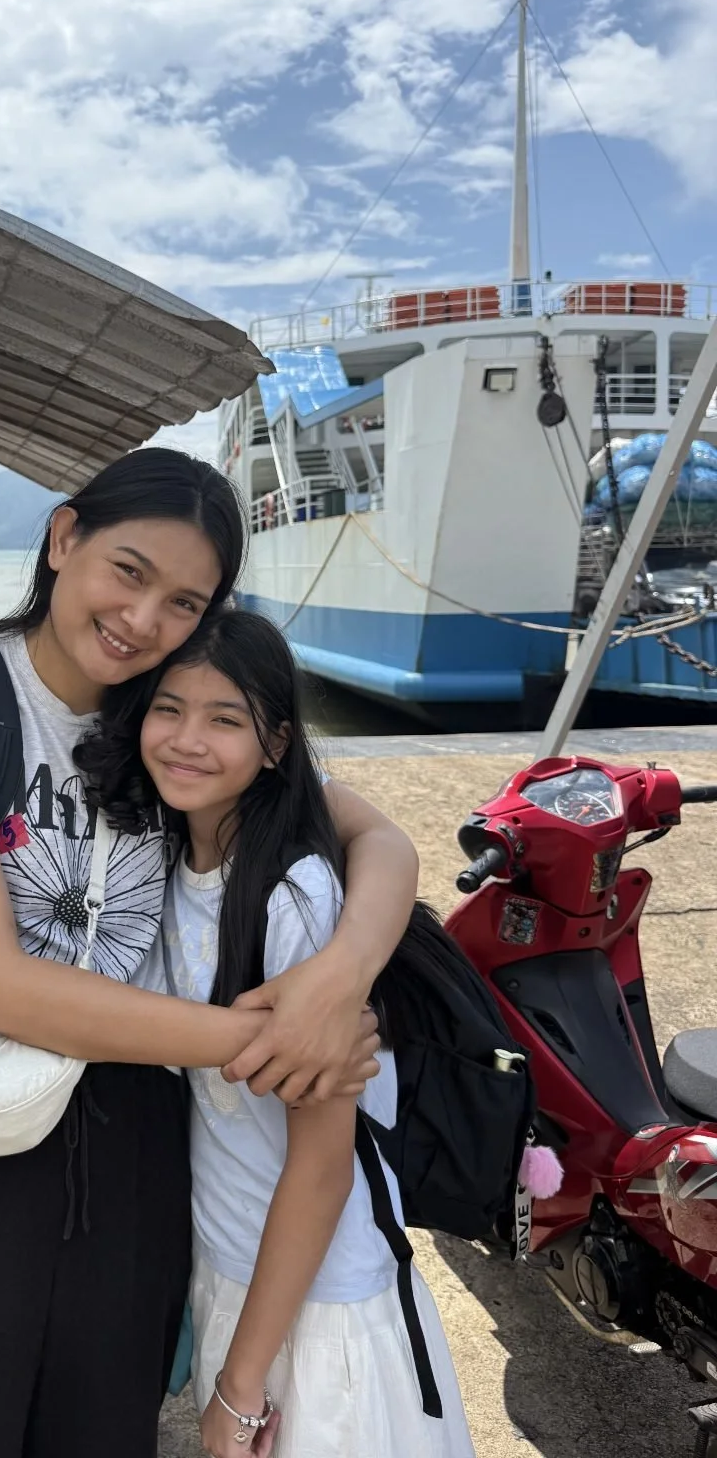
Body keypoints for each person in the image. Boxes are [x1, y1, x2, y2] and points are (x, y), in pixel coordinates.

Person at [0, 449, 420, 1458]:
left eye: (185, 601)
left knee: (97, 1426)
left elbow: (381, 840)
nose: (145, 621)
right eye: (129, 572)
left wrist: (334, 979)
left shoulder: (168, 713)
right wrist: (261, 1037)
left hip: (132, 1133)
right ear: (65, 540)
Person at [78, 604, 475, 1458]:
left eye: (227, 719)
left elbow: (324, 1166)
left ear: (277, 745)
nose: (188, 739)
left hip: (318, 1293)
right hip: (233, 1263)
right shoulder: (168, 862)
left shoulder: (292, 898)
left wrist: (241, 1384)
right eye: (168, 708)